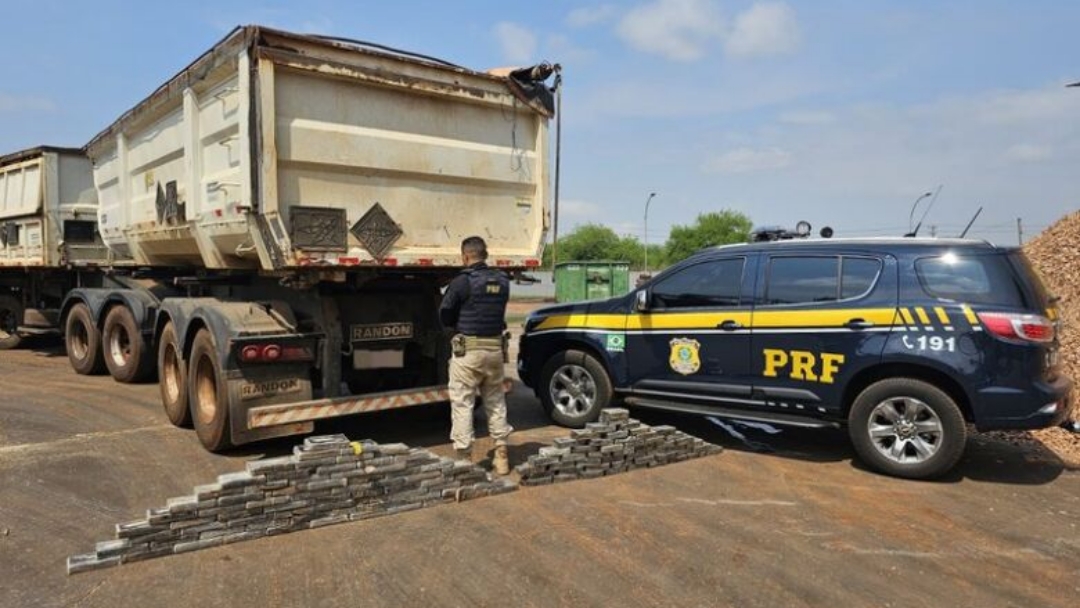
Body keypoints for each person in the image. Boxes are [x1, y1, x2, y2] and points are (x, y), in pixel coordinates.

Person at [439, 236, 512, 475]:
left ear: (466, 256)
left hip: (468, 351)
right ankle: (501, 456)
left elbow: (445, 312)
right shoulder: (503, 280)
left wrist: (453, 329)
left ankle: (464, 460)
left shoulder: (462, 281)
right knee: (496, 401)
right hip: (495, 350)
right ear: (485, 254)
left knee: (462, 402)